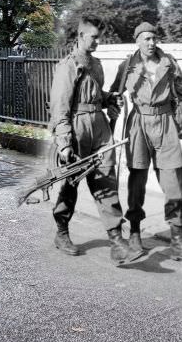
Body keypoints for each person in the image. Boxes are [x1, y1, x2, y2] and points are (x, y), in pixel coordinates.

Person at [49, 17, 140, 265]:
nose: (98, 41)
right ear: (80, 36)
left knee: (106, 180)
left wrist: (110, 99)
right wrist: (65, 142)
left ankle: (116, 241)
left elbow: (96, 94)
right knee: (71, 182)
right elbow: (60, 106)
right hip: (77, 128)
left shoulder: (96, 64)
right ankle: (62, 232)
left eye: (99, 37)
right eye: (94, 37)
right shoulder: (67, 66)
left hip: (99, 127)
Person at [109, 22, 182, 262]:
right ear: (137, 41)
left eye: (153, 38)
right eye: (146, 39)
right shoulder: (127, 65)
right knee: (136, 182)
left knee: (173, 184)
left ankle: (178, 241)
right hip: (138, 123)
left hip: (166, 123)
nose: (151, 43)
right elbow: (113, 95)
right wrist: (115, 103)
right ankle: (135, 236)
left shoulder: (169, 63)